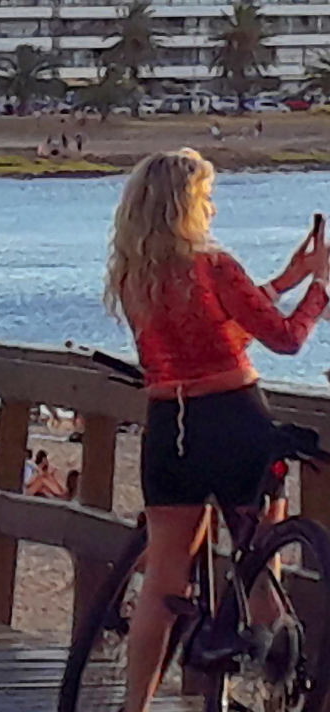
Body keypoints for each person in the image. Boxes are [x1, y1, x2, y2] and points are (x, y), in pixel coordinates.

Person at [108, 149, 329, 712]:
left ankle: (135, 706)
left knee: (163, 581)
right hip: (235, 422)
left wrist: (286, 277)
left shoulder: (135, 275)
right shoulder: (214, 265)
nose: (211, 206)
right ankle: (278, 688)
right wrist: (320, 290)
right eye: (206, 197)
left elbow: (214, 334)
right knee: (260, 570)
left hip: (170, 429)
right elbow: (284, 339)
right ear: (188, 204)